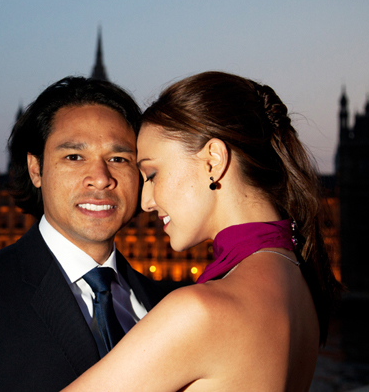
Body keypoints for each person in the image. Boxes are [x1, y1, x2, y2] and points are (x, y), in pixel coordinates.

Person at [63, 71, 341, 392]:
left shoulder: (200, 312)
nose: (145, 201)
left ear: (213, 161)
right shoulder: (300, 284)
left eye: (152, 174)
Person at [0, 76, 167, 392]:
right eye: (74, 157)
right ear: (35, 169)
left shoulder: (167, 304)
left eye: (118, 159)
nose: (100, 178)